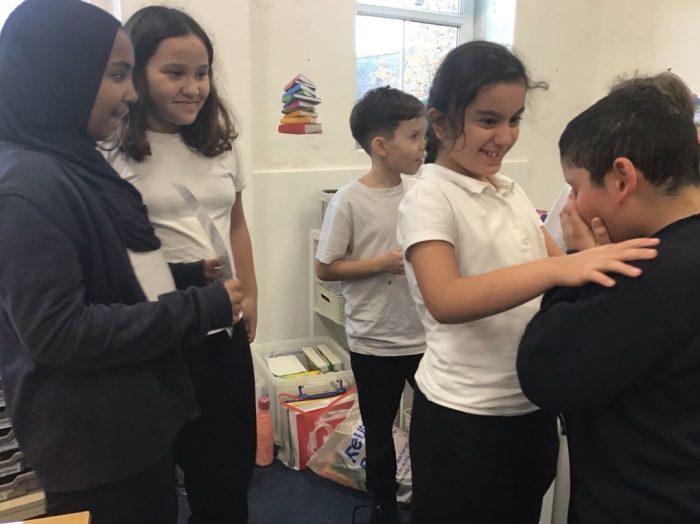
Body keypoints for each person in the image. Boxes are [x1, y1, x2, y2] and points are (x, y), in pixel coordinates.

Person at [396, 40, 660, 524]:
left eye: (514, 119)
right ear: (441, 123)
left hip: (530, 407)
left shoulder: (511, 190)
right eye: (488, 120)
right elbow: (445, 298)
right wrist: (560, 268)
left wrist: (589, 257)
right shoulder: (429, 197)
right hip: (464, 416)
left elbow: (560, 273)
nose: (504, 136)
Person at [0, 1, 244, 523]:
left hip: (128, 417)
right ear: (61, 75)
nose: (130, 93)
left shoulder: (69, 162)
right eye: (116, 75)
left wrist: (186, 278)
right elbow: (58, 331)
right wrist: (199, 307)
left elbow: (103, 275)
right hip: (93, 440)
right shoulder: (28, 186)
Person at [517, 77, 700, 523]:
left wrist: (579, 267)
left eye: (576, 187)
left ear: (622, 178)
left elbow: (543, 371)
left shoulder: (649, 276)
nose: (573, 204)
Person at [105, 7, 257, 523]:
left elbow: (236, 223)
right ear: (137, 74)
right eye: (174, 73)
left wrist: (251, 294)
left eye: (202, 73)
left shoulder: (221, 144)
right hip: (154, 331)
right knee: (151, 486)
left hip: (222, 324)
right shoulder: (111, 148)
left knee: (227, 475)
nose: (193, 88)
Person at [315, 86, 427, 524]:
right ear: (381, 146)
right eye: (414, 136)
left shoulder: (420, 192)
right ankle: (384, 505)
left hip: (424, 336)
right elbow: (325, 268)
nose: (422, 146)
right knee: (379, 429)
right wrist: (379, 264)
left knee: (434, 427)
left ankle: (429, 499)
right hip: (375, 339)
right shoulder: (348, 200)